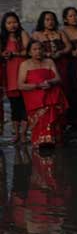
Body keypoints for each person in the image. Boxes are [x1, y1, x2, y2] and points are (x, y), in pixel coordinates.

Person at [17, 40, 67, 149]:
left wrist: (50, 82)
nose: (38, 51)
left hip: (51, 97)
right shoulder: (25, 64)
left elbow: (58, 78)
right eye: (34, 49)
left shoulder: (49, 62)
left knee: (55, 125)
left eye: (40, 49)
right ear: (29, 52)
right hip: (35, 100)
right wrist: (37, 85)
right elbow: (20, 85)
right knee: (39, 126)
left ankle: (55, 148)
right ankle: (39, 149)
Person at [2, 12, 30, 142]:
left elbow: (28, 51)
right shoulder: (3, 38)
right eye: (9, 23)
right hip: (10, 73)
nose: (12, 25)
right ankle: (16, 134)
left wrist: (13, 53)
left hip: (23, 71)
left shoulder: (22, 34)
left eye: (14, 22)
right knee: (14, 105)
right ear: (4, 25)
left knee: (25, 104)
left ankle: (24, 133)